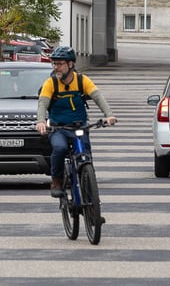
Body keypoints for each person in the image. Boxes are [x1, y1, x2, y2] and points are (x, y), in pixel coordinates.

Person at [36, 46, 117, 197]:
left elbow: (97, 96)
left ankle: (90, 193)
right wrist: (41, 121)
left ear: (71, 64)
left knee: (85, 155)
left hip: (79, 126)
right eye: (54, 64)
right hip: (58, 128)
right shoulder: (51, 83)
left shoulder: (82, 80)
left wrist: (109, 115)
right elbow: (43, 103)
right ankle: (56, 180)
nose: (56, 67)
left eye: (60, 64)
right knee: (59, 149)